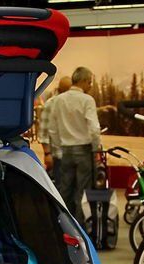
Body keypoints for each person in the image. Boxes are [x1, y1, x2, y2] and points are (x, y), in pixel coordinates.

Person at [48, 67, 101, 226]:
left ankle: (65, 226)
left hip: (66, 151)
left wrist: (59, 147)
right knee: (82, 192)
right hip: (84, 150)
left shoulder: (58, 100)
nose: (90, 85)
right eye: (89, 82)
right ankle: (80, 229)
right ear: (83, 81)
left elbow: (52, 129)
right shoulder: (87, 100)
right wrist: (96, 148)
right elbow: (94, 128)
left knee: (65, 190)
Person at [38, 76, 71, 187]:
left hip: (73, 156)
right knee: (60, 187)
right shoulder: (51, 104)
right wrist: (47, 154)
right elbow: (44, 132)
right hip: (58, 156)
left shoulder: (73, 103)